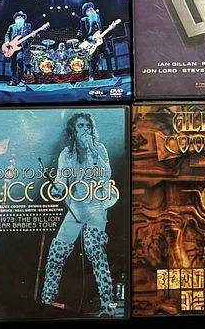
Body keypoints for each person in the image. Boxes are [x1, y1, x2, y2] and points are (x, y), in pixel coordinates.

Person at [41, 113, 118, 316]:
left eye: (88, 126)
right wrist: (57, 189)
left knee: (95, 250)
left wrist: (92, 151)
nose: (85, 129)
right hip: (76, 206)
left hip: (96, 206)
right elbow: (61, 180)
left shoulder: (99, 149)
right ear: (73, 132)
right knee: (56, 252)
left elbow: (106, 175)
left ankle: (107, 306)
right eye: (81, 126)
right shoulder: (66, 154)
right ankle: (46, 301)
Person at [78, 2, 113, 80]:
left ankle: (110, 73)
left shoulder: (98, 18)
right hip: (92, 43)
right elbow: (83, 34)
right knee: (94, 59)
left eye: (91, 8)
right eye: (88, 9)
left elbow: (102, 29)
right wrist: (91, 38)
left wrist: (110, 27)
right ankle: (91, 76)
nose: (91, 9)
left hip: (101, 41)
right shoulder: (83, 20)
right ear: (86, 12)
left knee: (108, 55)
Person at [4, 11, 31, 86]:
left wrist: (33, 34)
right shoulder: (12, 26)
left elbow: (30, 34)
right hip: (12, 47)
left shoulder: (27, 26)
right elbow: (7, 35)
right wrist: (7, 41)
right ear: (15, 19)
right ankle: (14, 81)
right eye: (17, 17)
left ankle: (21, 80)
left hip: (21, 47)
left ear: (24, 18)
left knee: (19, 60)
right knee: (13, 64)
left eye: (21, 17)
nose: (19, 18)